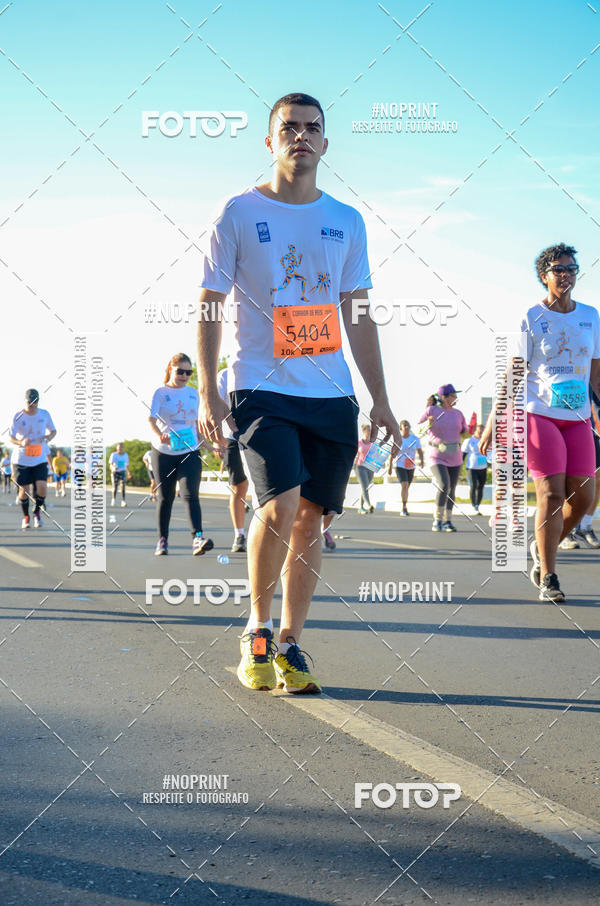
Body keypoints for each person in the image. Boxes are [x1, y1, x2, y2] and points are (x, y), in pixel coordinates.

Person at [197, 92, 399, 694]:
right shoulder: (237, 212)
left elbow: (358, 312)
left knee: (312, 519)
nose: (301, 136)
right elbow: (210, 303)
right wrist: (208, 390)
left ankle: (290, 643)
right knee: (278, 507)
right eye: (289, 128)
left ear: (326, 143)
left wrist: (381, 398)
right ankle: (256, 631)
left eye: (312, 128)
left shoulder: (347, 220)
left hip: (331, 393)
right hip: (261, 386)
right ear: (270, 140)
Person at [480, 243, 600, 602]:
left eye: (571, 268)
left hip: (578, 418)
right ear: (543, 276)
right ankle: (549, 576)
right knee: (551, 494)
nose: (566, 275)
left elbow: (596, 374)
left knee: (583, 498)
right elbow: (514, 373)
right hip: (539, 415)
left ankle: (541, 546)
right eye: (558, 269)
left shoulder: (590, 315)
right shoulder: (531, 316)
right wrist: (493, 421)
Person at [149, 352, 213, 557]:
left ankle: (198, 538)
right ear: (171, 369)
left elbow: (197, 425)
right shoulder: (160, 393)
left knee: (190, 494)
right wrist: (160, 436)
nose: (185, 376)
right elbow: (151, 419)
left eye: (189, 372)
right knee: (165, 497)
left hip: (189, 450)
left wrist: (210, 447)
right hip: (164, 452)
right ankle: (162, 540)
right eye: (180, 372)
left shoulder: (193, 393)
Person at [419, 385, 467, 532]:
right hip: (437, 455)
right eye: (453, 395)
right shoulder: (431, 410)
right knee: (444, 484)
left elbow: (464, 432)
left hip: (455, 455)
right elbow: (419, 428)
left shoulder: (458, 414)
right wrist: (428, 423)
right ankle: (437, 520)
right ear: (444, 397)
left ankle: (448, 521)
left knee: (452, 489)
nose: (456, 398)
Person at [9, 389, 56, 529]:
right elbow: (11, 437)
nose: (32, 405)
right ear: (25, 401)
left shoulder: (44, 414)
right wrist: (21, 442)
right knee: (24, 490)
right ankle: (26, 517)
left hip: (39, 458)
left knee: (42, 487)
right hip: (22, 459)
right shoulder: (18, 416)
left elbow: (53, 431)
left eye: (35, 402)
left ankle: (36, 512)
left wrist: (49, 437)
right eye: (29, 402)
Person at [217, 367, 249, 553]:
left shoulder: (263, 367)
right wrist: (218, 441)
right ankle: (239, 534)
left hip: (260, 435)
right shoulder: (224, 375)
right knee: (239, 486)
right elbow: (216, 407)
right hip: (232, 437)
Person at [387, 419, 424, 516]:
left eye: (408, 425)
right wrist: (390, 467)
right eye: (404, 425)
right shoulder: (398, 439)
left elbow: (420, 451)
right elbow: (392, 454)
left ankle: (404, 503)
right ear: (401, 428)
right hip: (400, 466)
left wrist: (422, 462)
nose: (406, 427)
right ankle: (404, 507)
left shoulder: (415, 439)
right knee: (405, 485)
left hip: (411, 467)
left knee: (407, 487)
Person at [461, 425, 488, 514]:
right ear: (475, 431)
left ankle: (477, 505)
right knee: (474, 485)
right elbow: (463, 455)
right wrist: (459, 466)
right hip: (471, 467)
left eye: (482, 432)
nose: (480, 433)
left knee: (481, 487)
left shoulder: (486, 441)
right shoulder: (469, 441)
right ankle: (473, 505)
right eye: (479, 431)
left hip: (483, 467)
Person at [354, 423, 374, 514]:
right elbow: (353, 454)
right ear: (364, 431)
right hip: (360, 467)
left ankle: (361, 508)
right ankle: (369, 505)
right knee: (365, 487)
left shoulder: (372, 443)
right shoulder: (359, 443)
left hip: (370, 467)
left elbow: (376, 455)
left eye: (370, 430)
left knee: (365, 488)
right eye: (368, 430)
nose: (369, 431)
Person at [109, 443, 131, 507]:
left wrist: (129, 472)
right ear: (117, 448)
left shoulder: (125, 455)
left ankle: (123, 501)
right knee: (115, 486)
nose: (120, 449)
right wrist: (114, 467)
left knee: (123, 486)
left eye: (121, 448)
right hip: (115, 472)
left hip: (122, 471)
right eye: (118, 448)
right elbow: (111, 463)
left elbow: (127, 464)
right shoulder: (114, 455)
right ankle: (113, 500)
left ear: (123, 448)